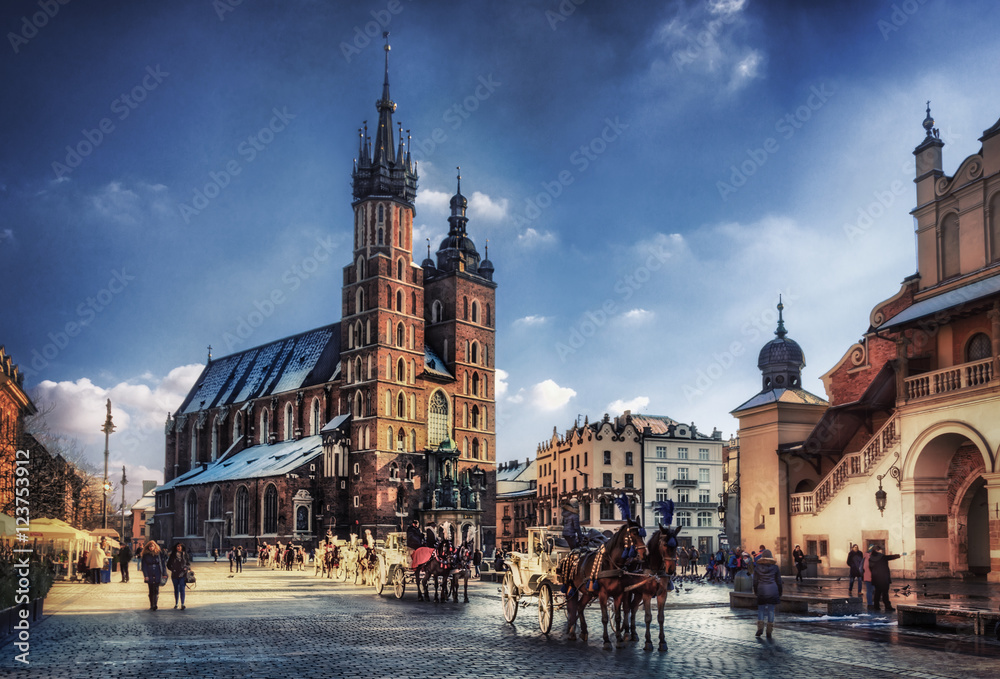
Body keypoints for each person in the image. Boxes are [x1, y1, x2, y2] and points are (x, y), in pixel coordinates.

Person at [752, 548, 783, 639]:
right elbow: (779, 581)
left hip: (761, 589)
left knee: (761, 609)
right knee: (770, 610)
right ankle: (769, 631)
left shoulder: (757, 567)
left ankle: (760, 628)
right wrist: (780, 592)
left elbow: (755, 581)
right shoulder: (775, 567)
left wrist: (756, 591)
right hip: (773, 590)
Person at [868, 545, 904, 612]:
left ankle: (876, 606)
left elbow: (870, 568)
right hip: (883, 577)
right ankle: (887, 606)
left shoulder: (870, 558)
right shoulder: (882, 557)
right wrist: (899, 555)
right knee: (885, 592)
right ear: (877, 550)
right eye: (880, 550)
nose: (882, 551)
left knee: (877, 592)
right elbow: (890, 557)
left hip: (876, 577)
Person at [140, 541, 165, 611]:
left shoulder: (158, 554)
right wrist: (146, 575)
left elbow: (162, 564)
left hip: (157, 572)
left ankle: (155, 604)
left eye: (152, 546)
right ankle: (152, 604)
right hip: (149, 572)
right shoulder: (145, 555)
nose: (151, 548)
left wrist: (164, 573)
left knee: (156, 589)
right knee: (151, 589)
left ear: (155, 547)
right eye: (150, 546)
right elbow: (144, 566)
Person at [166, 543, 191, 610]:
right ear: (176, 547)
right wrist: (172, 569)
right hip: (175, 574)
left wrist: (186, 568)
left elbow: (188, 564)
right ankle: (176, 604)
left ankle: (182, 604)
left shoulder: (185, 555)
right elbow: (168, 565)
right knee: (176, 589)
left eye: (180, 546)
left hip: (183, 574)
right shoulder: (173, 555)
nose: (179, 547)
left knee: (182, 589)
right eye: (178, 546)